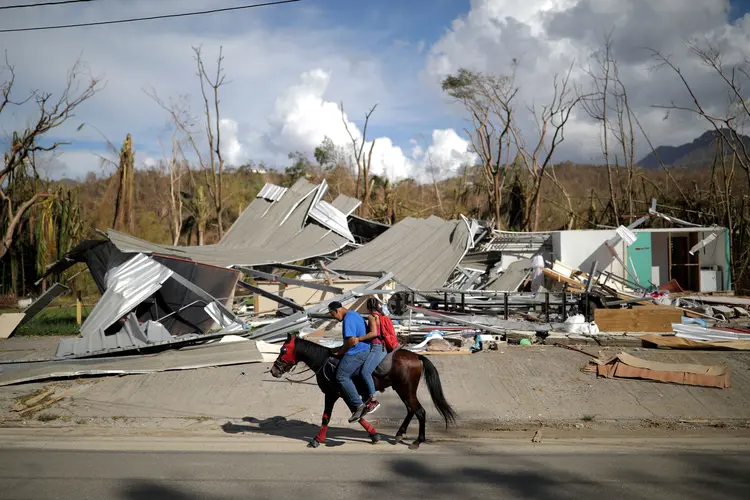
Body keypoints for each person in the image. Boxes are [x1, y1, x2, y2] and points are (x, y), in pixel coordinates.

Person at [328, 301, 370, 423]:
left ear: (337, 311)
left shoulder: (348, 319)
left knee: (341, 376)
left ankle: (359, 405)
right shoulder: (354, 314)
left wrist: (341, 352)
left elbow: (351, 340)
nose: (334, 318)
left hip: (357, 352)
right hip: (363, 348)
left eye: (333, 315)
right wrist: (341, 348)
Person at [357, 297, 389, 415]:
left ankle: (373, 400)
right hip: (383, 346)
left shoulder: (372, 317)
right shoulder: (382, 316)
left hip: (377, 347)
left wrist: (358, 339)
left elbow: (374, 333)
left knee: (365, 372)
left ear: (368, 307)